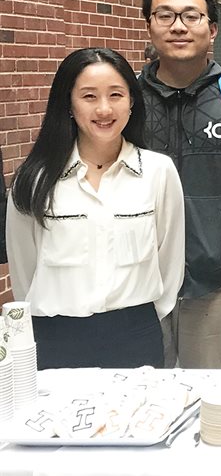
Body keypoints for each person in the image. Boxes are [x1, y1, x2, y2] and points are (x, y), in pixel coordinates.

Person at [5, 48, 184, 369]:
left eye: (116, 95)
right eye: (89, 96)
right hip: (56, 337)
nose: (104, 108)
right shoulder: (33, 179)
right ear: (69, 104)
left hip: (136, 335)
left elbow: (169, 261)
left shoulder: (158, 172)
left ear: (132, 101)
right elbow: (24, 270)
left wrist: (141, 316)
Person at [138, 0, 221, 369]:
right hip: (140, 281)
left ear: (212, 28)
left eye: (191, 16)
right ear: (149, 25)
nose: (178, 26)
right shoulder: (127, 101)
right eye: (164, 15)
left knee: (207, 394)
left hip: (211, 280)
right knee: (144, 396)